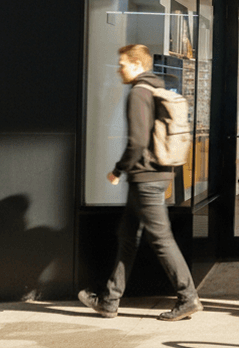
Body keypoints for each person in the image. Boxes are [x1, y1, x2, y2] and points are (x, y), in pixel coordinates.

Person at [78, 44, 202, 322]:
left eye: (122, 64)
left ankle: (188, 297)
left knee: (161, 239)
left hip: (146, 177)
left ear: (136, 64)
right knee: (128, 237)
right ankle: (109, 301)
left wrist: (118, 170)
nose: (118, 69)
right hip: (152, 175)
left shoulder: (139, 93)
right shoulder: (156, 89)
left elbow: (137, 141)